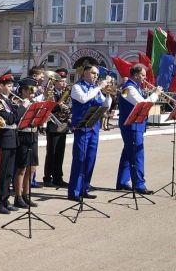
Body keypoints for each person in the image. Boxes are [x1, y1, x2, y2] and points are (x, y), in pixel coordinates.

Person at [67, 63, 113, 201]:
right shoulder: (76, 87)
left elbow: (105, 105)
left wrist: (108, 96)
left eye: (97, 75)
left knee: (90, 159)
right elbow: (83, 99)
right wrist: (99, 86)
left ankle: (84, 188)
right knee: (80, 159)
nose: (96, 76)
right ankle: (74, 192)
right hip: (81, 128)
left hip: (94, 127)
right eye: (93, 73)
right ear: (85, 73)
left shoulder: (95, 89)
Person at [115, 63, 159, 194]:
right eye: (143, 75)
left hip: (135, 125)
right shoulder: (129, 88)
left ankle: (122, 182)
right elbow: (143, 104)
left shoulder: (134, 87)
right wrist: (155, 94)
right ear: (135, 75)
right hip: (132, 126)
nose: (145, 78)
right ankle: (139, 184)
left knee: (128, 155)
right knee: (137, 155)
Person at [0, 73, 20, 214]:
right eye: (9, 86)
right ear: (1, 86)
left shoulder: (8, 101)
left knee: (8, 173)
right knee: (0, 173)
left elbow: (16, 118)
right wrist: (22, 109)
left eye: (12, 85)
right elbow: (10, 119)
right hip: (3, 138)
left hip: (13, 138)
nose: (11, 88)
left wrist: (18, 111)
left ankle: (5, 200)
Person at [12, 78, 39, 208]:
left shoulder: (34, 102)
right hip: (22, 135)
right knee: (21, 168)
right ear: (23, 90)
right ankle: (18, 196)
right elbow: (16, 119)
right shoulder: (17, 102)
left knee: (32, 167)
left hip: (33, 134)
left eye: (34, 90)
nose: (33, 93)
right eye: (30, 90)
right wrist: (24, 106)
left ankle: (26, 195)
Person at [42, 68, 70, 187]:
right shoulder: (50, 92)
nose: (63, 83)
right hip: (53, 124)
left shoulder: (65, 92)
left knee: (60, 152)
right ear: (55, 81)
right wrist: (59, 106)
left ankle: (58, 177)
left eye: (64, 81)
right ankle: (47, 177)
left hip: (63, 124)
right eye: (61, 81)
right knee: (51, 152)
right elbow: (49, 108)